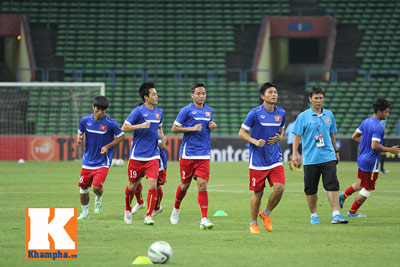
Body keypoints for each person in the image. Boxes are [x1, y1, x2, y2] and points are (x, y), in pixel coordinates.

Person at [292, 86, 348, 225]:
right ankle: (313, 215)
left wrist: (336, 152)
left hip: (328, 156)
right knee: (311, 189)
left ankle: (336, 214)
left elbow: (332, 134)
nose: (318, 100)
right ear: (310, 99)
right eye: (315, 98)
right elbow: (297, 136)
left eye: (321, 98)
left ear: (324, 98)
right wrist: (294, 154)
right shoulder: (303, 116)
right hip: (310, 159)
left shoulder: (329, 114)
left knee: (333, 185)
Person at [238, 82, 286, 234]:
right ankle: (253, 223)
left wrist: (280, 138)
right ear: (262, 96)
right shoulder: (254, 113)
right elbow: (241, 133)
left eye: (275, 92)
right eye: (270, 92)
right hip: (258, 161)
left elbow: (281, 130)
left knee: (280, 188)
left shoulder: (281, 113)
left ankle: (266, 214)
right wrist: (254, 141)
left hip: (275, 158)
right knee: (258, 193)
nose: (274, 95)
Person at [339, 98, 399, 217]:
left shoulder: (366, 121)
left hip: (362, 158)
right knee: (368, 188)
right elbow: (375, 146)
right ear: (379, 111)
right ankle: (352, 212)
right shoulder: (378, 127)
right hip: (371, 162)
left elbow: (354, 136)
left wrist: (365, 143)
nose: (388, 114)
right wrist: (390, 150)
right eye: (386, 112)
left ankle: (343, 195)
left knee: (362, 183)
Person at [170, 82, 217, 230]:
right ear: (192, 95)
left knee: (202, 185)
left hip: (203, 154)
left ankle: (204, 218)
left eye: (203, 93)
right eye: (198, 93)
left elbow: (206, 129)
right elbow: (174, 128)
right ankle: (176, 207)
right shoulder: (186, 110)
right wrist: (192, 128)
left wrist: (211, 126)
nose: (201, 96)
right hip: (188, 153)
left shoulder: (209, 111)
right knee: (184, 185)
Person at [76, 96, 125, 220]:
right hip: (87, 160)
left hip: (103, 161)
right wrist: (79, 137)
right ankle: (85, 213)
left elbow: (121, 137)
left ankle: (98, 197)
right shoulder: (85, 120)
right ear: (93, 107)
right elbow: (80, 131)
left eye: (103, 110)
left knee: (97, 187)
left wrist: (108, 146)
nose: (100, 113)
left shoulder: (110, 123)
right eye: (98, 110)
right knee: (83, 187)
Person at [122, 82, 164, 225]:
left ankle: (148, 215)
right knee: (132, 186)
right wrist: (140, 125)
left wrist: (161, 137)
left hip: (153, 156)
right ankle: (127, 209)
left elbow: (158, 128)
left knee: (152, 186)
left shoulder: (159, 112)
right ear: (146, 97)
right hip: (137, 156)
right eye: (154, 94)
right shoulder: (138, 111)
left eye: (156, 94)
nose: (156, 96)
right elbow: (124, 127)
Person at [129, 136, 168, 217]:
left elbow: (162, 144)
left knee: (156, 185)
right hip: (140, 157)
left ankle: (156, 208)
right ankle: (140, 202)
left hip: (157, 158)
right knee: (135, 180)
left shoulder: (156, 126)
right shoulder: (141, 125)